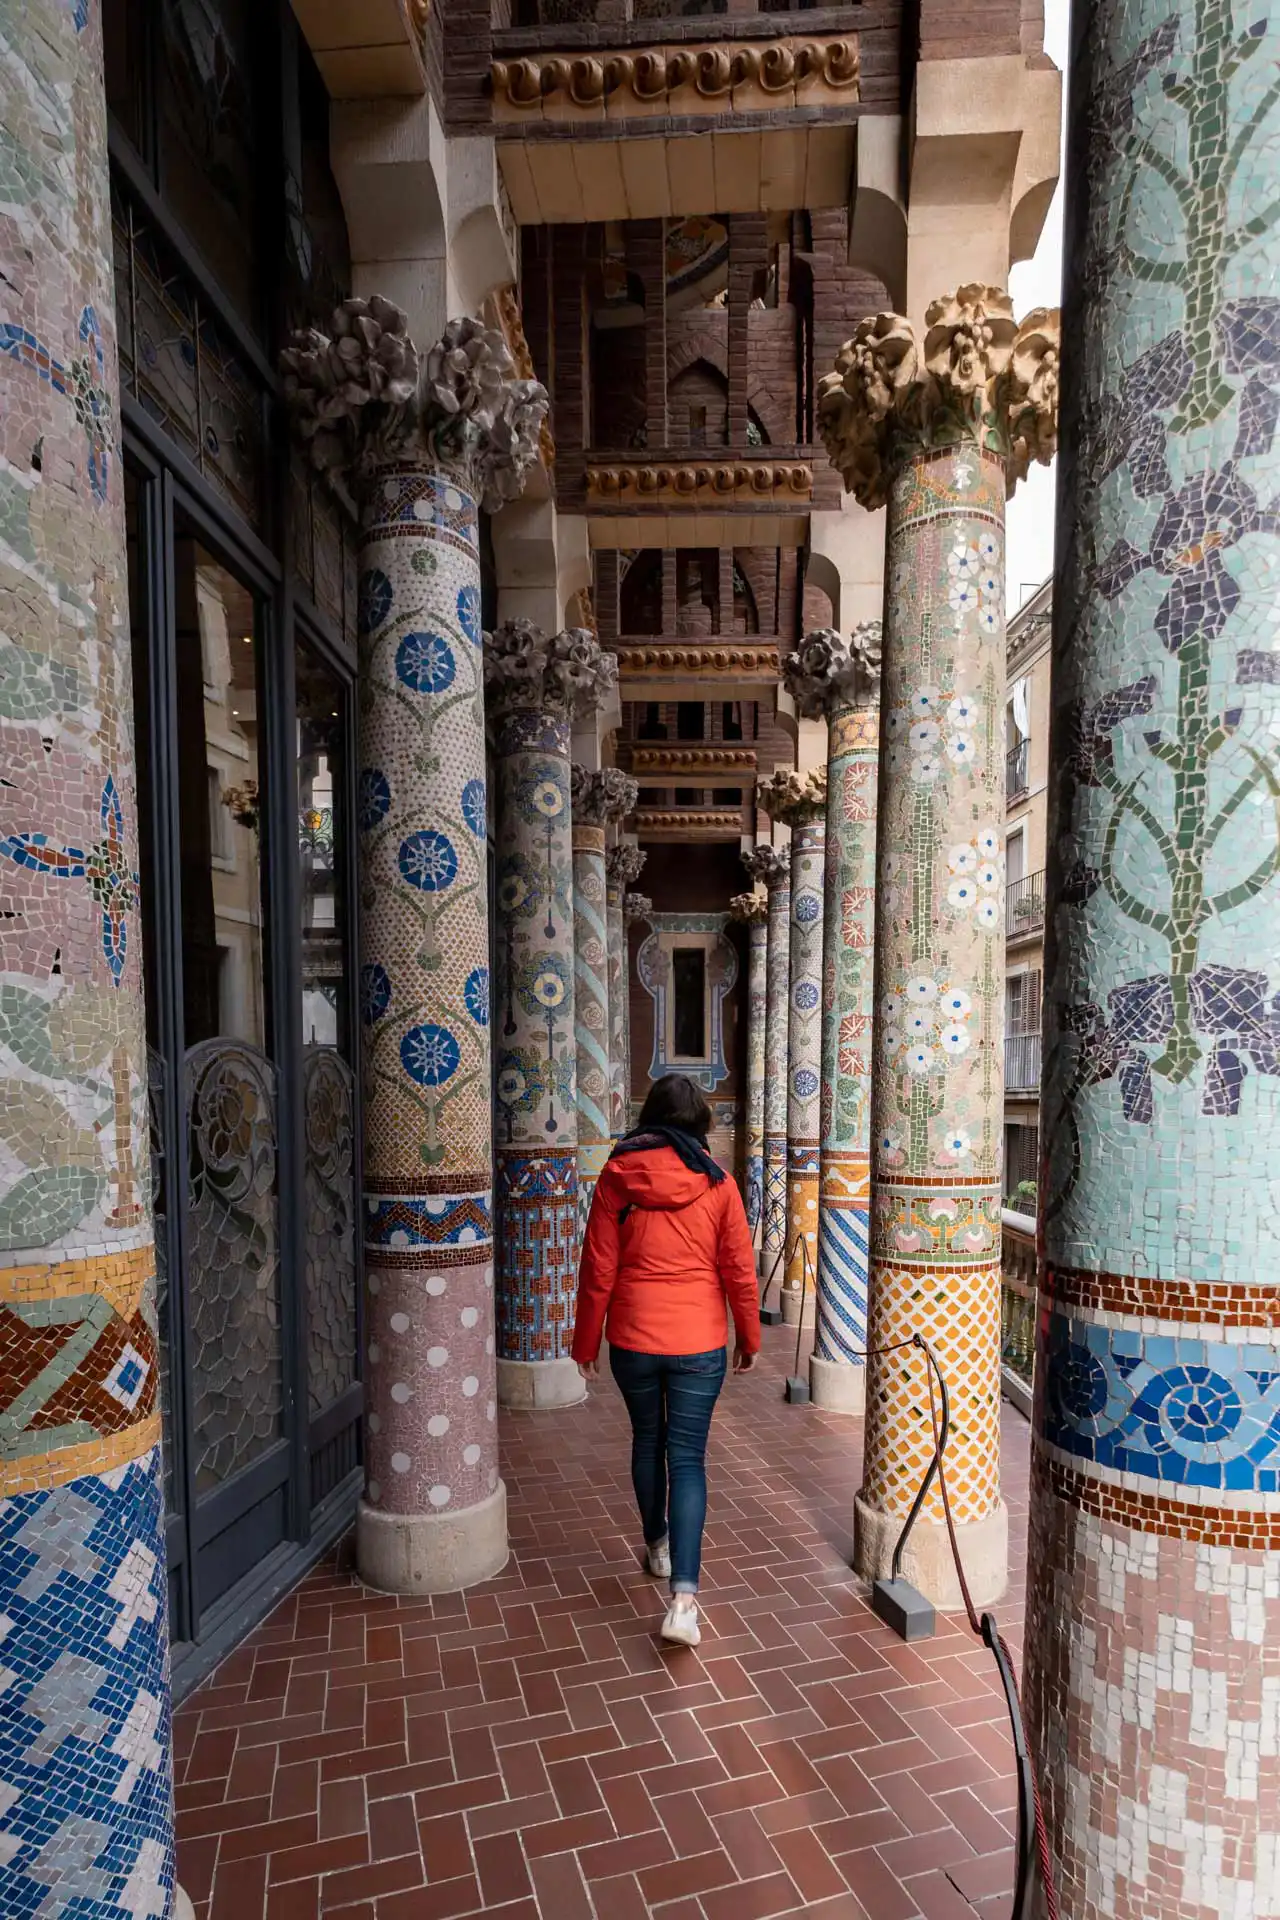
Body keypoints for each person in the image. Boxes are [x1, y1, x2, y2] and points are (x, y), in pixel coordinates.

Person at [572, 1072, 761, 1648]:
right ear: (699, 1123)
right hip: (698, 1343)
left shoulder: (616, 1176)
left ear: (648, 1118)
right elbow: (738, 1270)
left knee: (646, 1442)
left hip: (632, 1339)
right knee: (688, 1460)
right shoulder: (718, 1183)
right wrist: (749, 1337)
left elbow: (598, 1266)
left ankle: (656, 1546)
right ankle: (683, 1602)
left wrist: (586, 1342)